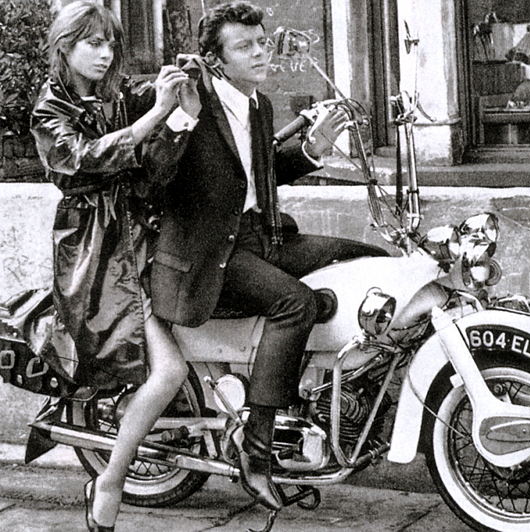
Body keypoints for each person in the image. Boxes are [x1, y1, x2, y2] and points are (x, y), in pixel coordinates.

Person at [144, 1, 388, 511]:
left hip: (261, 238)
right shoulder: (191, 103)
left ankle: (323, 399)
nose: (260, 53)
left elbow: (257, 174)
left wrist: (313, 149)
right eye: (245, 46)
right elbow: (153, 176)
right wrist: (182, 117)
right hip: (206, 256)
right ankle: (256, 451)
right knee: (296, 302)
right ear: (215, 60)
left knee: (368, 259)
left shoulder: (258, 105)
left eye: (262, 42)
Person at [30, 2, 201, 531]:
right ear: (65, 47)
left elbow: (156, 157)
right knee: (169, 370)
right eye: (93, 43)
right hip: (102, 253)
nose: (106, 54)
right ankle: (111, 479)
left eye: (111, 44)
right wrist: (157, 115)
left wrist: (183, 103)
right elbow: (83, 160)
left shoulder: (120, 96)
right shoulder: (49, 110)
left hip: (149, 237)